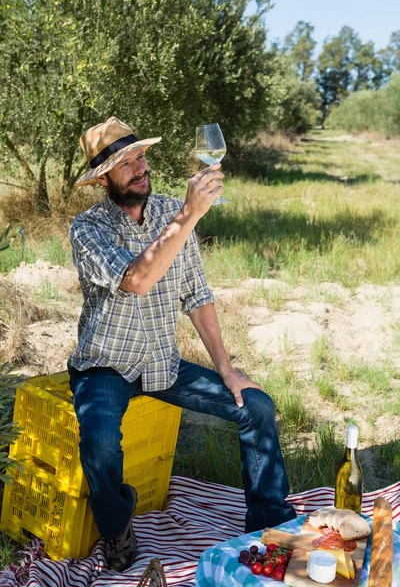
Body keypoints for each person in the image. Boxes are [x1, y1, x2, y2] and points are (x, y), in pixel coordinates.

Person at [68, 116, 296, 573]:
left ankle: (272, 526)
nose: (139, 167)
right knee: (98, 444)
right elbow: (136, 279)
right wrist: (190, 215)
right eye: (124, 163)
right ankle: (115, 528)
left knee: (256, 406)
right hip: (104, 365)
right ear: (103, 178)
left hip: (160, 363)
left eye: (141, 156)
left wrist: (228, 370)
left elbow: (197, 295)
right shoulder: (87, 228)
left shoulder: (172, 212)